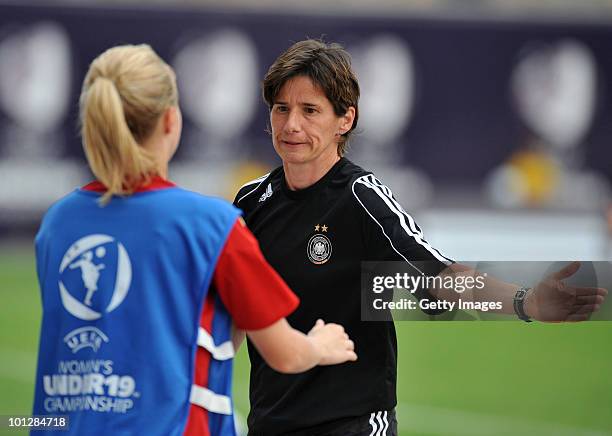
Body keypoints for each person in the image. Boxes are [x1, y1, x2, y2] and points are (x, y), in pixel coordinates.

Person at [233, 39, 607, 436]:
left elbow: (440, 277)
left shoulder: (360, 197)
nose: (291, 125)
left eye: (310, 110)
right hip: (269, 424)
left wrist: (525, 301)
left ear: (345, 119)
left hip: (351, 424)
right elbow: (232, 306)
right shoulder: (252, 202)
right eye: (281, 108)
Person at [31, 44, 357, 436]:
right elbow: (284, 353)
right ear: (172, 121)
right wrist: (320, 344)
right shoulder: (209, 223)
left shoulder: (58, 222)